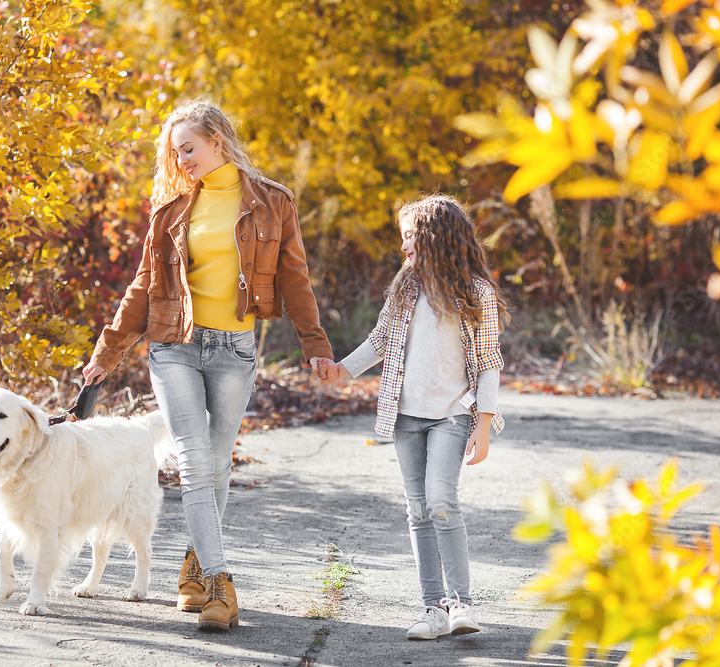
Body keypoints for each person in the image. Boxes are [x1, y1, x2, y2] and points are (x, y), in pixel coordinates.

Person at [82, 98, 333, 631]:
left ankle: (194, 568)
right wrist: (108, 351)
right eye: (176, 153)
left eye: (189, 149)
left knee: (216, 466)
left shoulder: (274, 203)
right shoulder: (172, 211)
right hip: (174, 344)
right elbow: (144, 286)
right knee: (195, 463)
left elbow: (295, 279)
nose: (182, 161)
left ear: (218, 139)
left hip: (235, 351)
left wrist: (315, 343)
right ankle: (221, 584)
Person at [320, 194, 509, 640]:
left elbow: (488, 362)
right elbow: (381, 339)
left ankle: (461, 602)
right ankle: (433, 609)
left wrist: (483, 424)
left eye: (409, 236)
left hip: (451, 415)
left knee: (442, 500)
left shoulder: (475, 292)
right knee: (419, 508)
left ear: (435, 236)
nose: (403, 248)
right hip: (405, 417)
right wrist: (341, 370)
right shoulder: (405, 290)